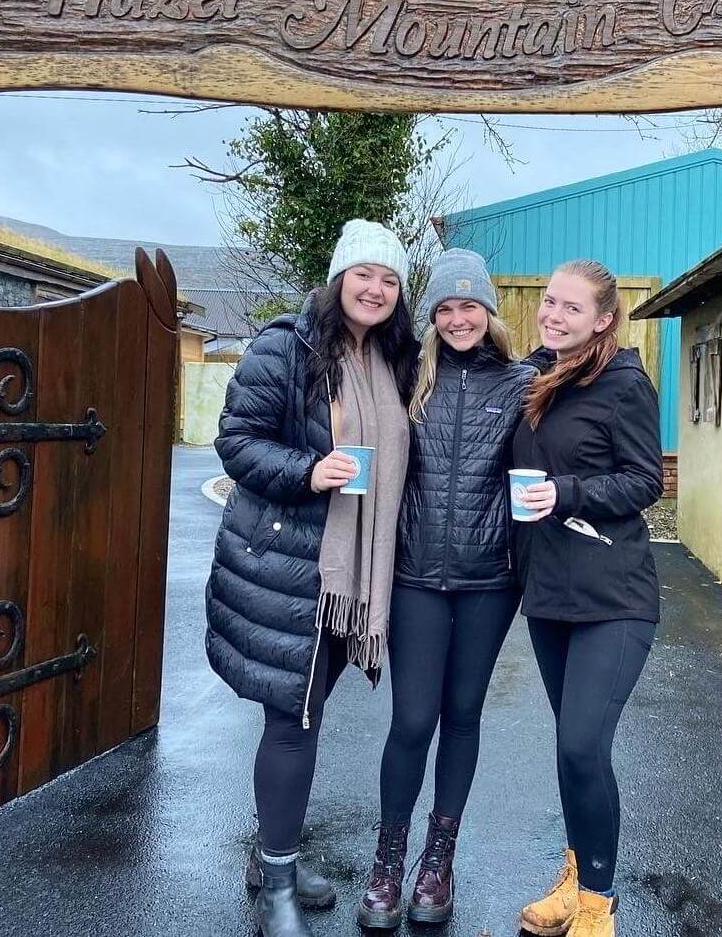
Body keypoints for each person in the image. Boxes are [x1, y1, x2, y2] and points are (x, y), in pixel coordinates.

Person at [205, 219, 419, 937]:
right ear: (337, 278)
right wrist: (307, 470)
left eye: (389, 279)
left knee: (307, 714)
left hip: (347, 575)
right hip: (289, 567)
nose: (375, 288)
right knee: (292, 721)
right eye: (364, 274)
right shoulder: (286, 347)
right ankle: (275, 888)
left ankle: (277, 859)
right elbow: (235, 440)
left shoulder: (389, 359)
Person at [358, 249, 535, 929]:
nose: (458, 317)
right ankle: (386, 858)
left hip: (490, 580)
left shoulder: (523, 382)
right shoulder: (409, 377)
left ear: (488, 313)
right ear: (431, 317)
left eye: (470, 305)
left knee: (462, 714)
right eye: (445, 307)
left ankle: (438, 859)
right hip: (414, 577)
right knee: (410, 720)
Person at [512, 259, 663, 937]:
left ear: (604, 319)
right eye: (549, 301)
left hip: (613, 595)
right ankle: (575, 879)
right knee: (572, 748)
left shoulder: (624, 382)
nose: (553, 313)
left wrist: (567, 491)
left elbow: (642, 481)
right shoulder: (536, 373)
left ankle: (598, 902)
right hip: (549, 594)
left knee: (581, 745)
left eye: (571, 308)